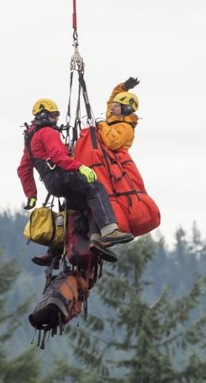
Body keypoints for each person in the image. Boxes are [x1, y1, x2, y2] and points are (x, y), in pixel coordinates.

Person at [18, 98, 134, 265]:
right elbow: (58, 156)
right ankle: (109, 230)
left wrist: (31, 195)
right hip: (62, 176)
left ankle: (62, 248)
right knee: (96, 189)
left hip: (52, 184)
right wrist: (79, 167)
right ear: (44, 115)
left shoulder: (30, 139)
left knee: (79, 206)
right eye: (54, 115)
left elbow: (23, 169)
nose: (57, 119)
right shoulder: (48, 133)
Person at [95, 76, 141, 151]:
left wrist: (102, 124)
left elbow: (112, 143)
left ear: (127, 108)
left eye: (116, 106)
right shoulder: (113, 117)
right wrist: (124, 87)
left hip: (111, 162)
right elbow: (113, 99)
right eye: (113, 105)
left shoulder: (126, 128)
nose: (112, 108)